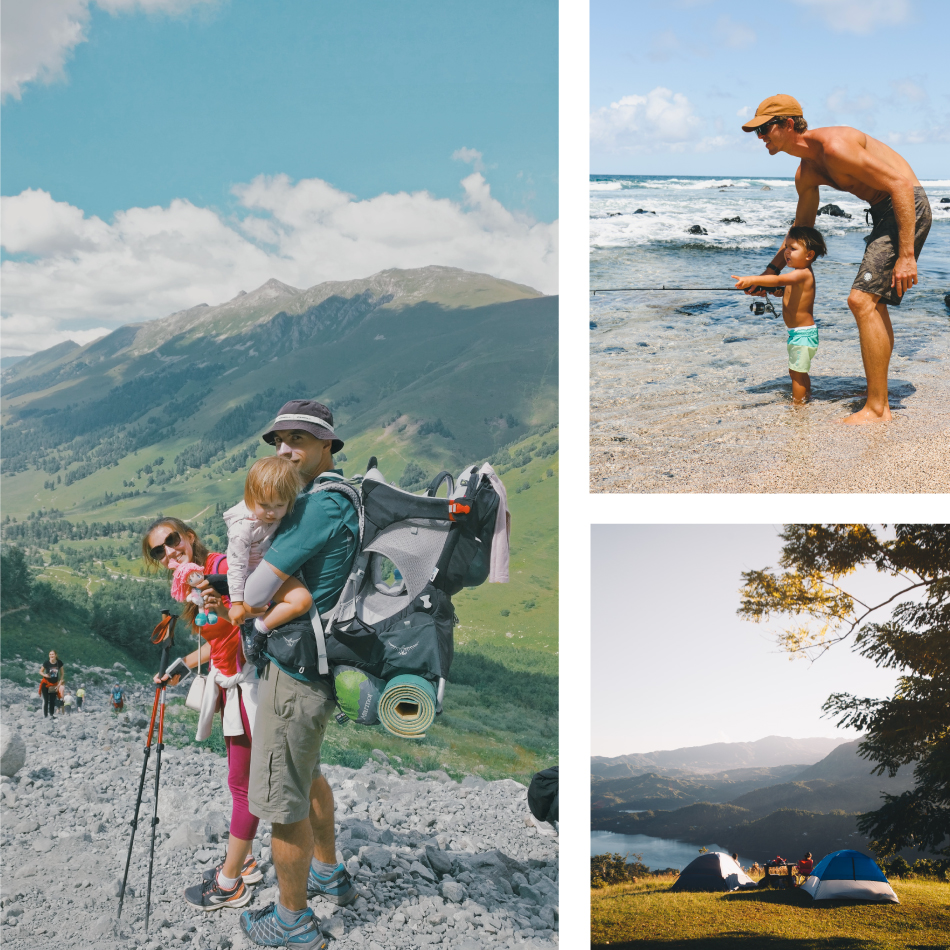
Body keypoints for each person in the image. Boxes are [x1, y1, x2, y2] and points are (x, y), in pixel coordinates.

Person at [237, 400, 359, 950]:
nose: (285, 449)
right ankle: (329, 872)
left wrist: (241, 595)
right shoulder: (338, 496)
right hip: (322, 665)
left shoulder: (317, 507)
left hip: (296, 671)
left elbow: (259, 592)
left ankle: (293, 922)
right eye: (279, 440)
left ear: (328, 444)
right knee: (307, 775)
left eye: (299, 440)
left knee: (281, 799)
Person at [741, 94, 932, 424]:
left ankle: (877, 409)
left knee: (861, 301)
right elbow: (802, 231)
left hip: (904, 207)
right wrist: (772, 270)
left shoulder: (835, 145)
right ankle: (878, 395)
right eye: (756, 132)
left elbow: (901, 185)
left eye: (765, 129)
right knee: (872, 303)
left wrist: (906, 256)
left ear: (788, 124)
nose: (760, 138)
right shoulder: (806, 173)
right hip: (885, 212)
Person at [143, 516, 262, 911]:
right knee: (240, 782)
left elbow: (250, 622)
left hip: (250, 686)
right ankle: (245, 861)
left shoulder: (222, 570)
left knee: (243, 785)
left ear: (189, 537)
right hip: (232, 686)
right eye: (159, 551)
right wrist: (181, 665)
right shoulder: (195, 583)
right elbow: (221, 640)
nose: (168, 552)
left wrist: (217, 602)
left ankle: (230, 884)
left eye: (172, 540)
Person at [732, 226, 827, 404]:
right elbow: (786, 288)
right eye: (787, 247)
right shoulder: (797, 277)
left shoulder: (802, 274)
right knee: (797, 371)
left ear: (809, 255)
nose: (787, 252)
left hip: (802, 334)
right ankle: (806, 398)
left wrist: (752, 279)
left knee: (797, 373)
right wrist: (779, 292)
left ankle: (798, 406)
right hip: (798, 333)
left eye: (793, 249)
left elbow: (777, 279)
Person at [224, 455, 313, 633]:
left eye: (279, 505)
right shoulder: (241, 530)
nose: (271, 513)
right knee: (302, 600)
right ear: (250, 498)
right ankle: (258, 629)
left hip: (271, 567)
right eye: (264, 505)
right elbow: (236, 565)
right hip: (253, 575)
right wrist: (236, 603)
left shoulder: (275, 508)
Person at [39, 650, 64, 718]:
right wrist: (45, 675)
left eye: (52, 654)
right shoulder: (46, 662)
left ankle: (51, 714)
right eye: (50, 654)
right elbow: (40, 671)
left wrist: (59, 684)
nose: (51, 656)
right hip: (46, 683)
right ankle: (45, 715)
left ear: (55, 655)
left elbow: (62, 674)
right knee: (46, 700)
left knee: (52, 700)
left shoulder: (59, 663)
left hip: (54, 684)